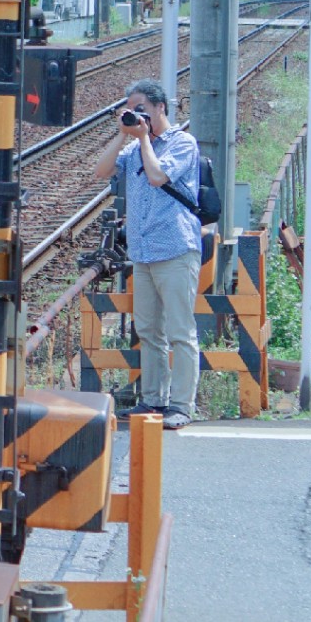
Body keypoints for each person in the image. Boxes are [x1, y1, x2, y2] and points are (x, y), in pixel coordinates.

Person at [91, 78, 203, 430]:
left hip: (175, 249)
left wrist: (143, 140)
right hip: (142, 253)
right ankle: (153, 399)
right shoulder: (133, 146)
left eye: (141, 109)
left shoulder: (182, 143)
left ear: (160, 109)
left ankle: (182, 405)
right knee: (149, 330)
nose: (137, 115)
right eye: (131, 110)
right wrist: (124, 134)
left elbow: (157, 176)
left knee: (181, 332)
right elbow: (101, 171)